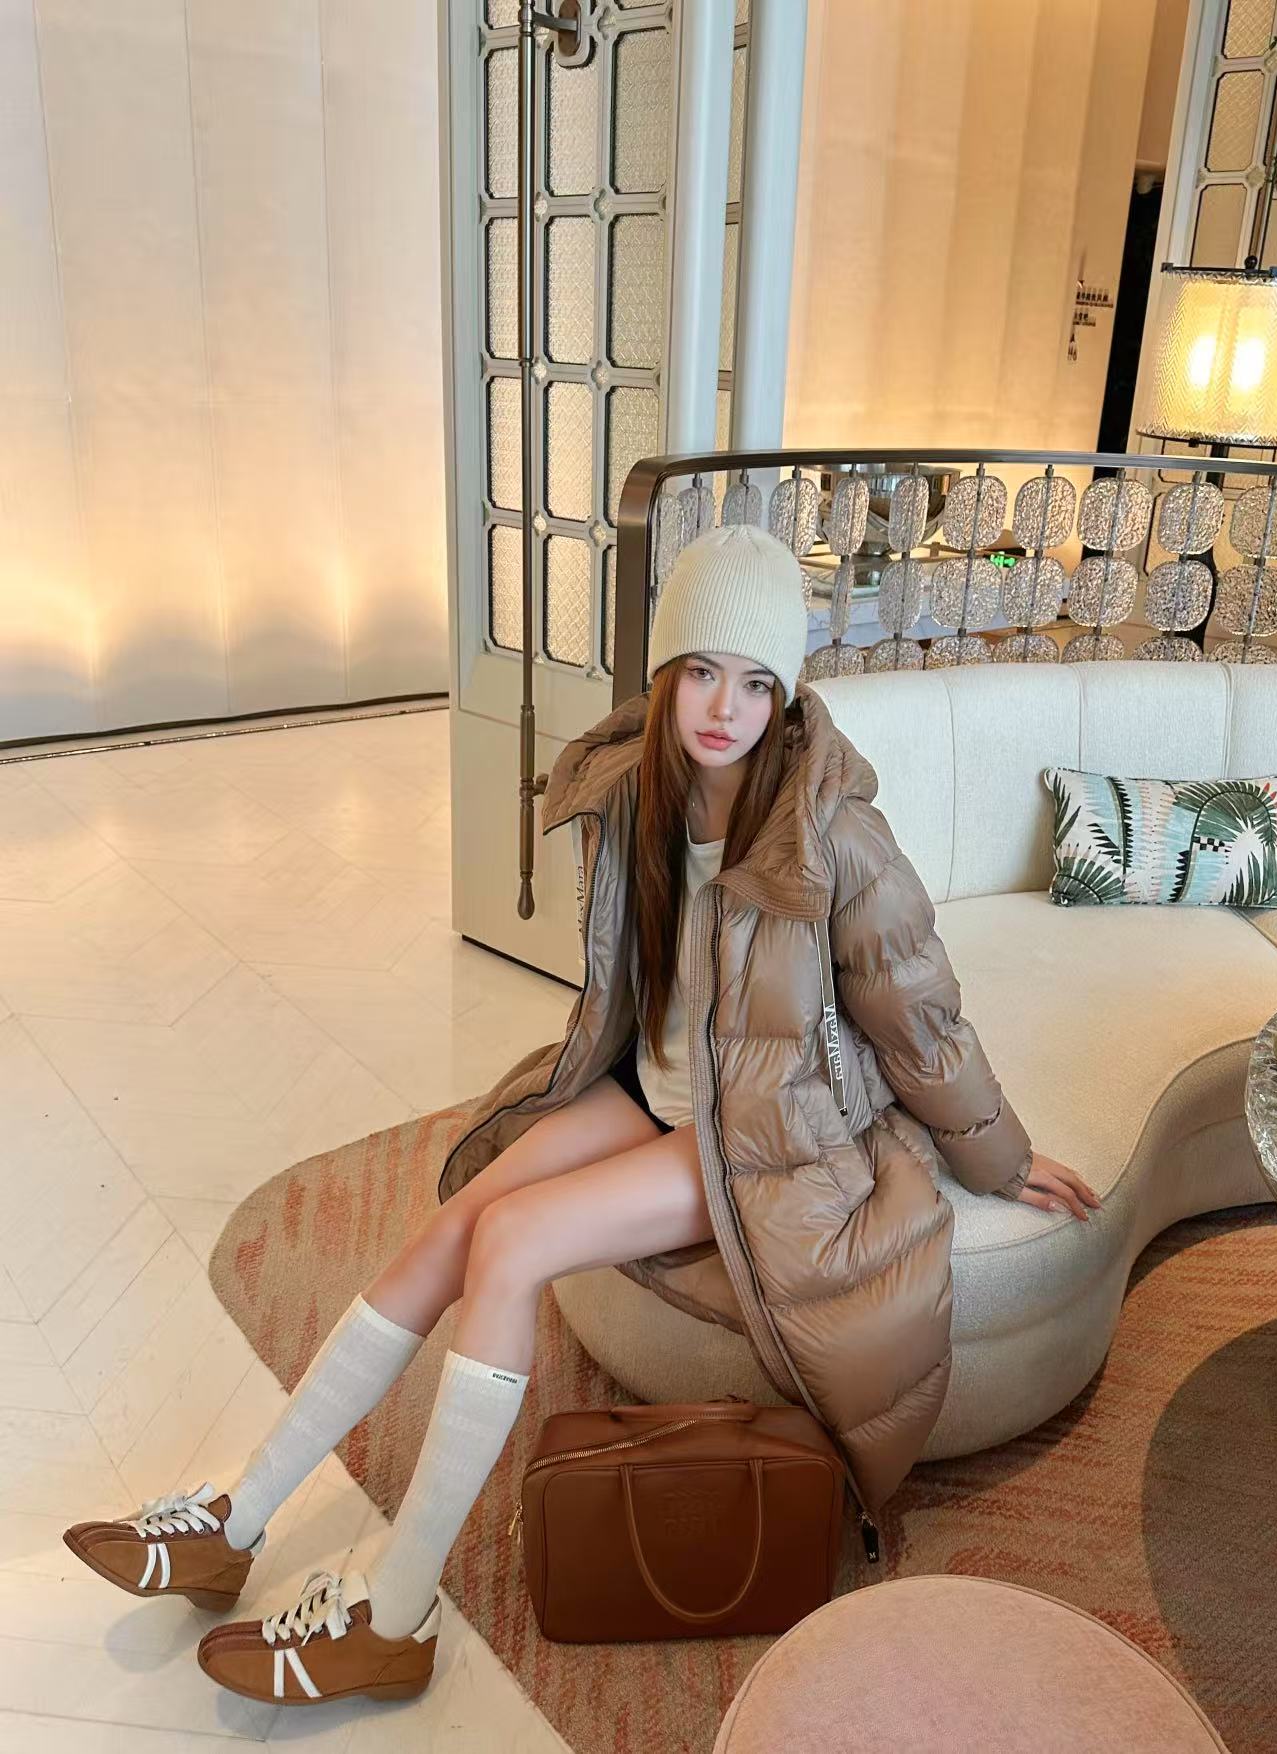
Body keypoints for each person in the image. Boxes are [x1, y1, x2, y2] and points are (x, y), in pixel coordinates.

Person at [63, 523, 1098, 1709]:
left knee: (510, 1243)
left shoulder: (834, 832)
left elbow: (916, 1006)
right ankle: (234, 1521)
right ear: (664, 674)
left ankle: (394, 1615)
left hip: (758, 1133)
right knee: (453, 1224)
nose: (724, 707)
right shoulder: (635, 790)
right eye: (700, 670)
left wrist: (999, 1152)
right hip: (649, 1091)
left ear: (784, 694)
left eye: (755, 681)